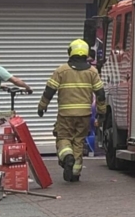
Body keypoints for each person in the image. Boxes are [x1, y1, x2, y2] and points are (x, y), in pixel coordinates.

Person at [37, 40, 106, 182]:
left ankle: (67, 156)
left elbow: (49, 91)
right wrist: (102, 111)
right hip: (84, 115)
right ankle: (75, 173)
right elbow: (100, 93)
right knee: (79, 141)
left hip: (65, 115)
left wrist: (42, 106)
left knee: (63, 138)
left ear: (70, 52)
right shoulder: (92, 72)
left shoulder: (61, 70)